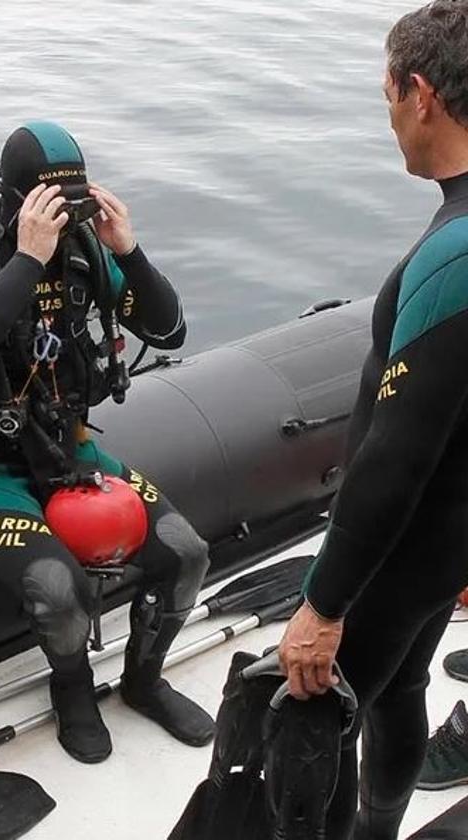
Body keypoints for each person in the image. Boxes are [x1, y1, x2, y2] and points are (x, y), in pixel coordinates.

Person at [0, 121, 214, 763]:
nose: (66, 213)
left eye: (75, 198)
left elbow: (170, 330)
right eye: (51, 200)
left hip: (67, 447)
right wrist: (26, 258)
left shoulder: (86, 252)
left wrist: (126, 251)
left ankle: (142, 680)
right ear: (16, 198)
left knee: (185, 553)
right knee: (57, 587)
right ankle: (71, 688)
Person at [276, 2, 468, 837]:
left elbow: (396, 454)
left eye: (387, 95)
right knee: (404, 686)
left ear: (420, 93)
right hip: (453, 534)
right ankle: (378, 828)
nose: (389, 115)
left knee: (313, 713)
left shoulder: (457, 254)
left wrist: (322, 605)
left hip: (406, 541)